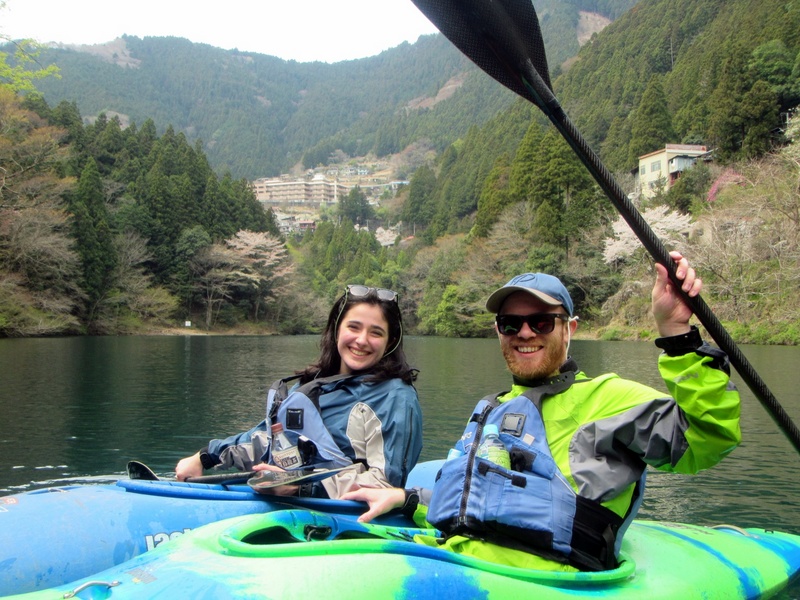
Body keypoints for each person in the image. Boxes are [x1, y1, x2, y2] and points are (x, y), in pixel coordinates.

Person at [342, 252, 741, 572]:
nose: (525, 333)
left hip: (540, 580)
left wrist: (676, 334)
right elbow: (475, 501)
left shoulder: (609, 399)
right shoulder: (492, 409)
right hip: (455, 561)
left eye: (542, 321)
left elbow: (707, 439)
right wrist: (407, 498)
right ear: (499, 331)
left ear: (570, 328)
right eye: (511, 323)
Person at [175, 285, 423, 499]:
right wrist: (206, 457)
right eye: (354, 327)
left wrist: (299, 488)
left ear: (390, 342)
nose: (361, 340)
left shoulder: (396, 397)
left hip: (341, 520)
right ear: (337, 329)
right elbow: (268, 439)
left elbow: (385, 483)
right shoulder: (312, 385)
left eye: (376, 332)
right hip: (289, 502)